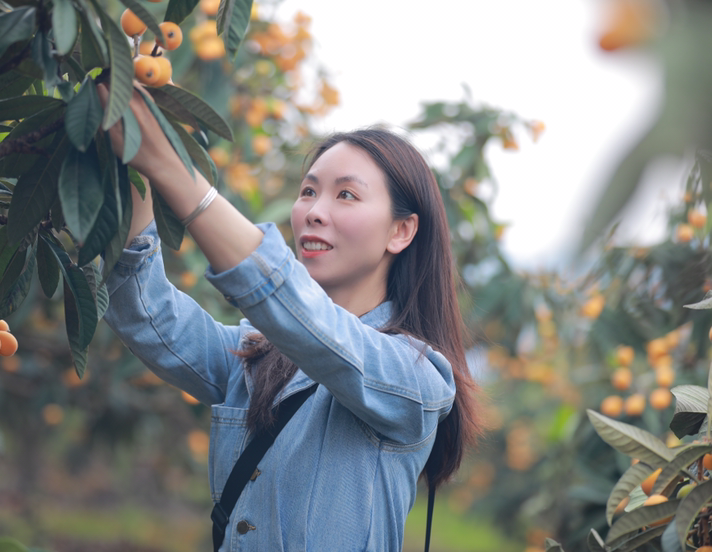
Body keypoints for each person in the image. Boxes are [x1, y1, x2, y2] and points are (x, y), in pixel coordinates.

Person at [99, 85, 484, 551]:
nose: (313, 213)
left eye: (346, 195)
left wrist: (175, 171)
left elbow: (306, 320)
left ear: (401, 231)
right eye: (308, 191)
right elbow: (146, 312)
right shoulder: (258, 358)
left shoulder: (417, 379)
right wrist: (140, 170)